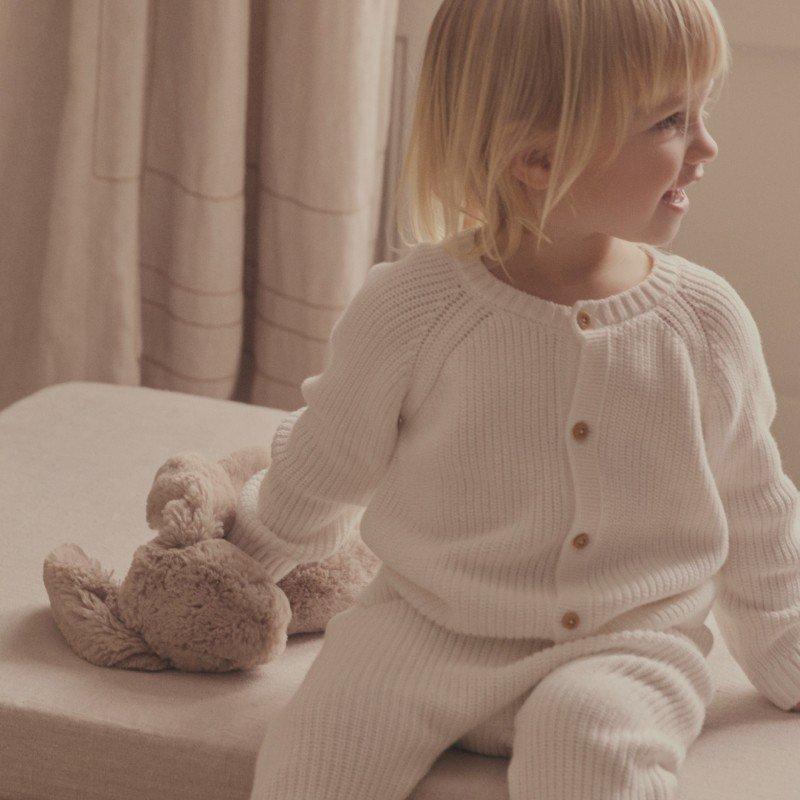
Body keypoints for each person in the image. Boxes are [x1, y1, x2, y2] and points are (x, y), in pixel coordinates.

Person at [227, 1, 800, 798]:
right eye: (671, 120)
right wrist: (238, 561)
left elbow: (755, 501)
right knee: (314, 757)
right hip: (423, 629)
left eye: (701, 110)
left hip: (625, 644)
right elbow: (327, 460)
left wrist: (783, 647)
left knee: (592, 746)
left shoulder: (704, 321)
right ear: (538, 157)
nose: (706, 147)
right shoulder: (413, 308)